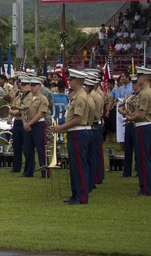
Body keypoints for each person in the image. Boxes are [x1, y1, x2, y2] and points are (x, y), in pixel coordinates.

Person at [52, 69, 91, 204]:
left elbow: (78, 118)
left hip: (78, 132)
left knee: (80, 166)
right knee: (74, 166)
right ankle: (76, 194)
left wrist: (60, 128)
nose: (69, 82)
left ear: (78, 81)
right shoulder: (77, 96)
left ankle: (81, 196)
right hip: (74, 132)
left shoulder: (80, 97)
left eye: (71, 80)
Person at [124, 67, 151, 196]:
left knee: (143, 159)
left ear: (144, 78)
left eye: (139, 76)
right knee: (144, 158)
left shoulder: (144, 93)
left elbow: (142, 114)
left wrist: (131, 117)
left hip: (143, 126)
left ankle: (146, 188)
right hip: (143, 126)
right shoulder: (145, 92)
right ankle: (145, 187)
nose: (137, 79)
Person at [22, 77, 49, 178]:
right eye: (31, 85)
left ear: (39, 86)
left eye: (34, 86)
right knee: (28, 149)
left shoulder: (43, 99)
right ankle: (28, 171)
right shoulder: (27, 98)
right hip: (28, 124)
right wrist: (25, 123)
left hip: (38, 124)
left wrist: (29, 124)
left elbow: (41, 113)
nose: (32, 88)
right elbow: (23, 111)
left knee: (41, 149)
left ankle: (44, 172)